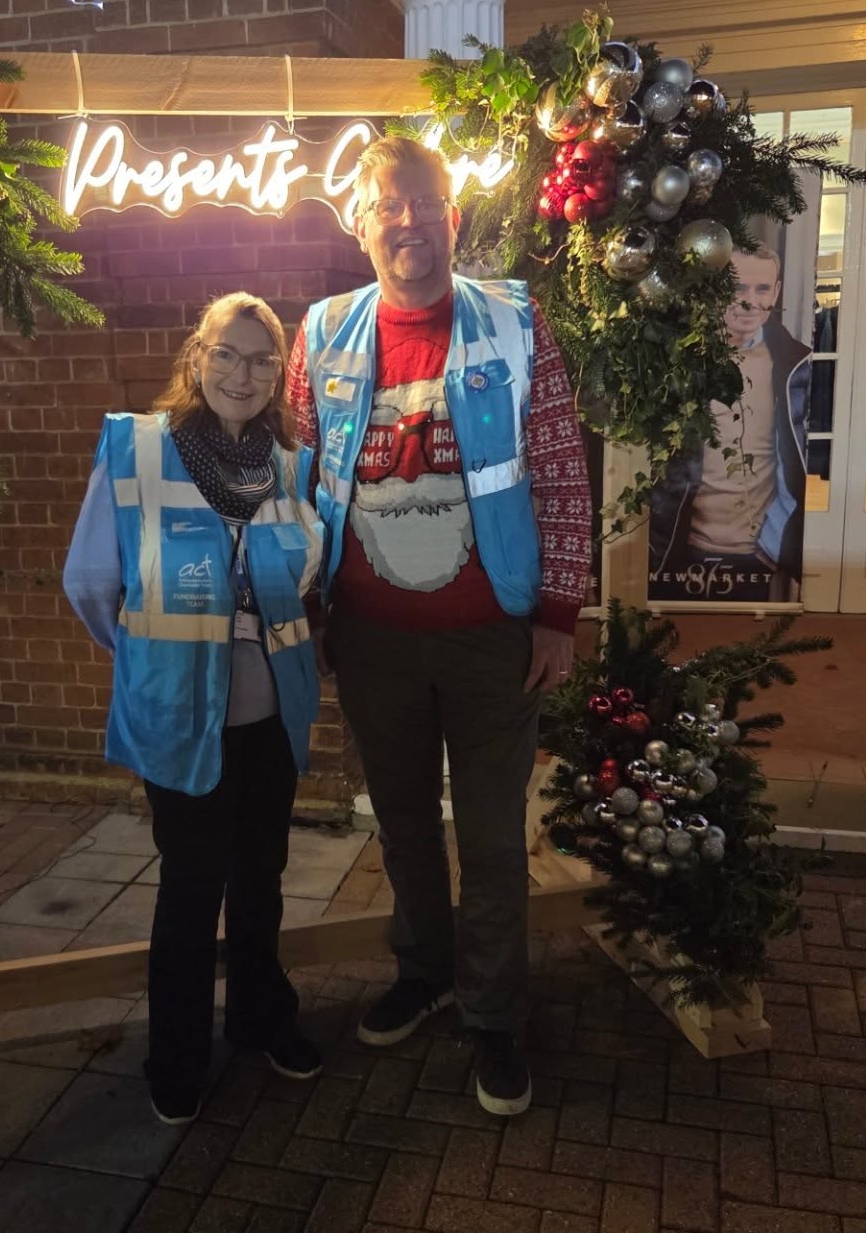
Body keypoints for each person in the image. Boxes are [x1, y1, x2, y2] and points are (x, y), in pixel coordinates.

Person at [285, 135, 591, 1117]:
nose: (406, 222)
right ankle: (425, 970)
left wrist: (558, 615)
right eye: (386, 206)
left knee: (495, 837)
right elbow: (296, 481)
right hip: (371, 635)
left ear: (450, 217)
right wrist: (301, 607)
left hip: (492, 634)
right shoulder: (324, 332)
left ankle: (495, 1019)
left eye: (422, 203)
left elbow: (559, 466)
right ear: (361, 224)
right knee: (404, 821)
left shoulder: (512, 322)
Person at [64, 292, 326, 1126]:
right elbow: (91, 584)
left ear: (278, 375)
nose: (241, 374)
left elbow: (305, 585)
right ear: (197, 356)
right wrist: (153, 657)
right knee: (189, 892)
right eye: (227, 353)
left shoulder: (290, 465)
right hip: (184, 717)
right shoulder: (138, 450)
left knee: (262, 882)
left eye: (260, 359)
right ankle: (174, 1057)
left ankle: (261, 1020)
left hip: (272, 718)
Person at [649, 246, 811, 601]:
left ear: (777, 291)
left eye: (762, 289)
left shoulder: (795, 365)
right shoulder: (680, 361)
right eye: (737, 288)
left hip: (759, 553)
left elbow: (799, 462)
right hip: (682, 546)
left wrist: (776, 549)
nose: (749, 302)